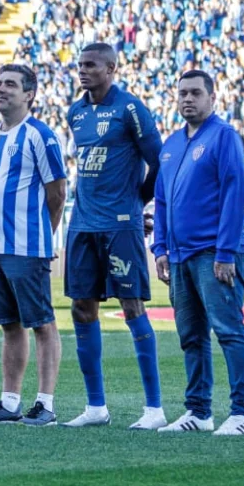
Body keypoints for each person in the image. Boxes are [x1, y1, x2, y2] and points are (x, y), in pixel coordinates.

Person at [61, 43, 164, 430]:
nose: (83, 71)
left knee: (132, 305)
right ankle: (95, 407)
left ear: (111, 68)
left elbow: (159, 162)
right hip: (83, 223)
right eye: (80, 65)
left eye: (91, 65)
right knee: (81, 308)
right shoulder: (76, 111)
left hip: (120, 224)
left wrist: (138, 200)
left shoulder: (131, 108)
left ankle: (153, 408)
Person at [151, 72, 244, 434]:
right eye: (182, 93)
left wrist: (226, 251)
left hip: (214, 253)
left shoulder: (223, 136)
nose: (187, 99)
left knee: (228, 330)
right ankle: (198, 411)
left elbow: (234, 193)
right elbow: (162, 201)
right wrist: (161, 247)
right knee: (191, 336)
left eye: (195, 93)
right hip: (179, 256)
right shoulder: (170, 145)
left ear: (212, 96)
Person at [0, 65, 67, 425]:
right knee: (10, 324)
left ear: (29, 94)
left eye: (10, 85)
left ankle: (46, 404)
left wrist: (43, 233)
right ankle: (9, 403)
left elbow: (57, 192)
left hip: (26, 245)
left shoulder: (40, 135)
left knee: (41, 322)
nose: (1, 90)